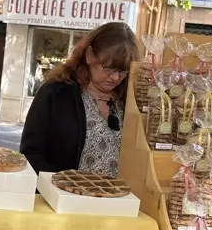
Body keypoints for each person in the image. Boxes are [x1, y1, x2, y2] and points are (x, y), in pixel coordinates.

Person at [20, 21, 140, 176]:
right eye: (108, 68)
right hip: (63, 196)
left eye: (123, 71)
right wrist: (60, 186)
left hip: (118, 198)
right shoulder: (56, 93)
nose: (116, 77)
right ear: (90, 55)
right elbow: (31, 153)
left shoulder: (129, 101)